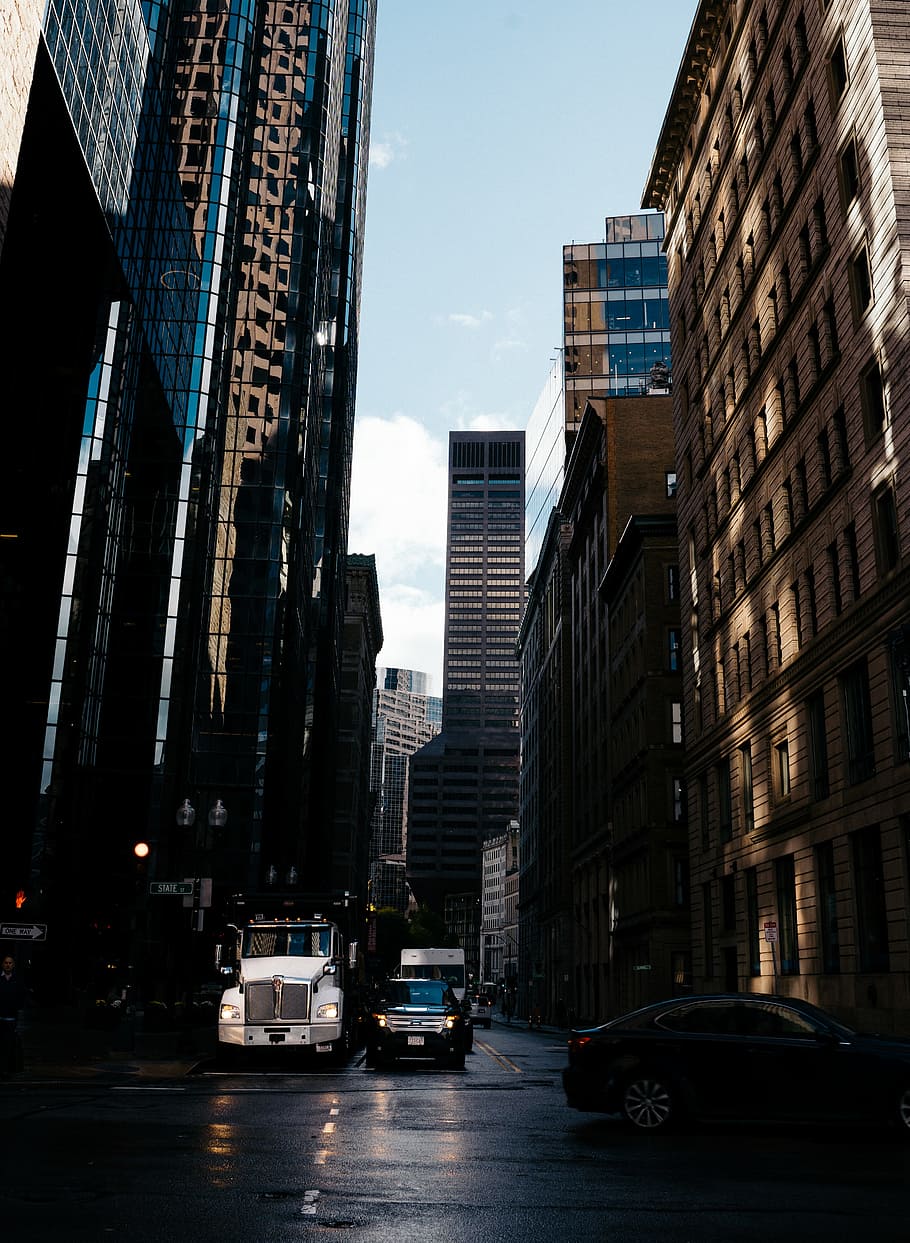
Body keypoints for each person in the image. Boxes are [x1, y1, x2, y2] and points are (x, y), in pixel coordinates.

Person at [0, 955, 27, 1076]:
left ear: (13, 965)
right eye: (6, 963)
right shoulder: (0, 979)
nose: (8, 965)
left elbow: (21, 998)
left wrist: (16, 1008)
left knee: (10, 1044)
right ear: (2, 964)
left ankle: (9, 1068)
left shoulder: (17, 980)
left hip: (12, 1018)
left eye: (10, 963)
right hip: (0, 1018)